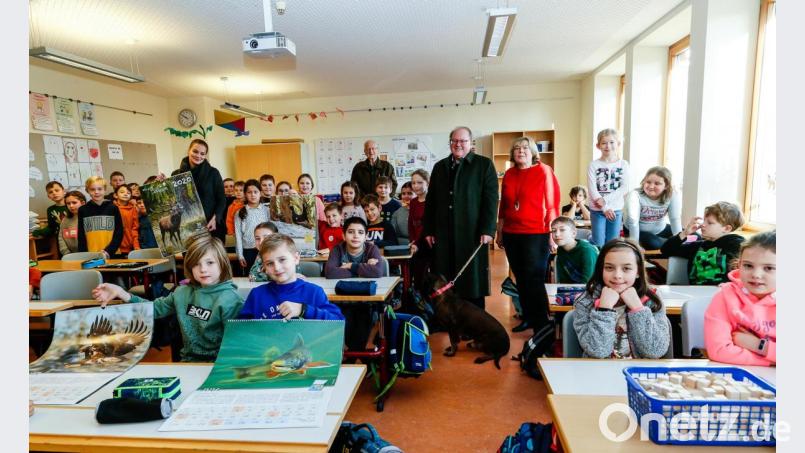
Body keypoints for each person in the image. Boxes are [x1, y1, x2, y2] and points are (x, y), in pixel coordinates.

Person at [92, 234, 243, 362]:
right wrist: (121, 292)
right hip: (188, 362)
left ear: (222, 264)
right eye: (196, 264)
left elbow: (237, 345)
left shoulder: (230, 300)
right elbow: (155, 309)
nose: (203, 269)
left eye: (210, 263)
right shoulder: (182, 293)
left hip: (219, 364)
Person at [424, 126, 498, 309]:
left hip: (472, 233)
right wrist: (429, 230)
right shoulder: (439, 167)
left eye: (463, 141)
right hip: (443, 234)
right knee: (444, 279)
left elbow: (490, 200)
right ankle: (447, 319)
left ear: (471, 143)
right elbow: (431, 201)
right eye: (454, 141)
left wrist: (488, 229)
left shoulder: (484, 165)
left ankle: (474, 319)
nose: (458, 144)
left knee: (471, 280)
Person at [495, 136, 561, 335]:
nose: (520, 150)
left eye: (525, 147)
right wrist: (500, 231)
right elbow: (504, 206)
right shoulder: (509, 174)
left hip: (536, 233)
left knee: (534, 279)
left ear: (533, 152)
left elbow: (552, 205)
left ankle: (542, 324)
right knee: (521, 279)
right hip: (512, 233)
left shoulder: (544, 171)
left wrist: (552, 233)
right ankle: (528, 317)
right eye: (516, 148)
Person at [573, 238, 670, 359]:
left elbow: (655, 351)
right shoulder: (585, 302)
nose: (617, 275)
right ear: (601, 270)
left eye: (626, 268)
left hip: (639, 370)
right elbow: (598, 352)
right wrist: (604, 309)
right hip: (600, 370)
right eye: (609, 268)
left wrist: (638, 309)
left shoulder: (652, 300)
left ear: (638, 272)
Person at [704, 231, 775, 366]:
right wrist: (773, 361)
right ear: (739, 265)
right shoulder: (725, 297)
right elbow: (719, 351)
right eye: (748, 266)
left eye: (769, 268)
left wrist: (759, 346)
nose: (756, 274)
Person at [239, 234, 344, 321]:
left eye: (282, 260)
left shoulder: (314, 292)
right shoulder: (256, 295)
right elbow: (240, 329)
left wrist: (304, 310)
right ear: (264, 267)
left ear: (296, 258)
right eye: (270, 263)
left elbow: (338, 321)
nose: (277, 268)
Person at [660, 201, 745, 285]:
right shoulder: (697, 246)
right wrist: (684, 233)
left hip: (723, 292)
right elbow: (666, 250)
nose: (702, 225)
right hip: (695, 292)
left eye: (710, 223)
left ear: (726, 229)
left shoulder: (737, 245)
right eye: (704, 221)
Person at [171, 139, 227, 243]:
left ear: (205, 155)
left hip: (211, 226)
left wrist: (215, 218)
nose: (198, 156)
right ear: (189, 151)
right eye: (195, 151)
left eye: (202, 153)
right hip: (188, 227)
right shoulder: (176, 174)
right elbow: (174, 199)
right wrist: (161, 184)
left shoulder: (213, 173)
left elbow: (222, 199)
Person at [587, 128, 630, 247]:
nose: (608, 146)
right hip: (597, 210)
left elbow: (624, 187)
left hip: (615, 209)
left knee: (612, 243)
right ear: (598, 146)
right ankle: (591, 240)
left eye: (611, 142)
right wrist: (604, 207)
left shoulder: (623, 164)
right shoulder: (593, 165)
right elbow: (592, 189)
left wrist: (605, 200)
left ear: (618, 144)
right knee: (599, 243)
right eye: (604, 143)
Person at [624, 166, 682, 250]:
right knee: (655, 244)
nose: (651, 186)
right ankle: (668, 246)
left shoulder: (672, 194)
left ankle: (671, 246)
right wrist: (635, 244)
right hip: (636, 231)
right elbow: (633, 222)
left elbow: (674, 219)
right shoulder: (634, 195)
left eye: (657, 183)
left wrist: (679, 240)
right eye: (648, 182)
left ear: (666, 186)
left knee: (695, 236)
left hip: (660, 229)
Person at [77, 176, 123, 258]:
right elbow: (81, 235)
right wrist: (83, 254)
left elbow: (119, 232)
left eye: (99, 189)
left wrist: (108, 251)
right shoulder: (82, 210)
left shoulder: (113, 208)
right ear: (87, 191)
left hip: (112, 253)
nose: (96, 192)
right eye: (92, 189)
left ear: (105, 190)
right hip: (90, 254)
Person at [235, 179, 270, 273]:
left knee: (266, 276)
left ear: (260, 193)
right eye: (249, 192)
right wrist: (240, 255)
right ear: (245, 194)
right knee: (250, 276)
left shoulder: (267, 211)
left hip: (265, 249)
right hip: (248, 251)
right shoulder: (240, 213)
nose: (253, 195)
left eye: (255, 192)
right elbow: (238, 235)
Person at [551, 216, 599, 284]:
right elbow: (563, 282)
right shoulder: (561, 250)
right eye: (553, 230)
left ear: (573, 233)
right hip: (571, 289)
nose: (556, 234)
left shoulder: (587, 251)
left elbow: (588, 283)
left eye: (562, 230)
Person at [113, 184, 140, 255]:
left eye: (128, 193)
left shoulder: (133, 209)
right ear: (115, 195)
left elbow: (134, 228)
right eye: (122, 192)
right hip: (113, 247)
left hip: (128, 247)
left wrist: (136, 245)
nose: (125, 194)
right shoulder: (111, 208)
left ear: (131, 196)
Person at [58, 191, 86, 256]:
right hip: (70, 255)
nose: (71, 206)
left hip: (88, 255)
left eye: (74, 202)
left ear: (83, 203)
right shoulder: (65, 220)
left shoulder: (88, 218)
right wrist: (66, 253)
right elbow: (61, 238)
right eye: (68, 203)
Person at [407, 169, 429, 246]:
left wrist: (418, 243)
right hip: (415, 243)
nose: (416, 186)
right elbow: (410, 224)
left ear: (428, 183)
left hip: (428, 243)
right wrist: (413, 241)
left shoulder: (433, 201)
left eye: (420, 182)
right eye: (413, 183)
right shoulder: (413, 202)